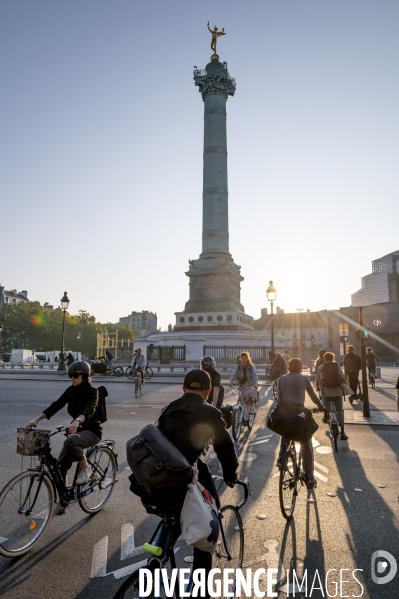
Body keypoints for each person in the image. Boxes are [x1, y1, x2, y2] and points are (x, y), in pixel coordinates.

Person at [130, 369, 238, 591]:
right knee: (208, 523)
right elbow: (225, 446)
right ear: (208, 392)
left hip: (153, 482)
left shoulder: (169, 408)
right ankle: (200, 591)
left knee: (173, 516)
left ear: (183, 388)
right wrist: (230, 474)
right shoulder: (209, 412)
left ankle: (155, 561)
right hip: (182, 479)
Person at [25, 361, 101, 492]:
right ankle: (63, 500)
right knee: (60, 467)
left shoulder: (93, 392)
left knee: (70, 441)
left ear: (84, 376)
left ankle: (86, 469)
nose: (72, 378)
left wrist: (77, 420)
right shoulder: (71, 391)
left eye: (75, 375)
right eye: (70, 375)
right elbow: (56, 405)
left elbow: (89, 410)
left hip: (92, 431)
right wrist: (36, 420)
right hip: (77, 430)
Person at [276, 358, 324, 489]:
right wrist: (321, 406)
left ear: (288, 368)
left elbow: (279, 399)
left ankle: (281, 457)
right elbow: (313, 396)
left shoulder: (281, 380)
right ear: (301, 368)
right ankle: (309, 480)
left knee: (285, 430)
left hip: (285, 412)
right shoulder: (304, 379)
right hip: (299, 413)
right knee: (305, 441)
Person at [316, 352, 351, 441]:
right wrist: (346, 384)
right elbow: (343, 378)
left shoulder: (320, 367)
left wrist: (317, 388)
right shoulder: (337, 366)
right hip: (337, 392)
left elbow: (318, 380)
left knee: (325, 406)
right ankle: (342, 432)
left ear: (324, 358)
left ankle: (326, 416)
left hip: (326, 392)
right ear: (332, 358)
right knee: (340, 410)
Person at [230, 351, 259, 421]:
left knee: (249, 394)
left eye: (245, 358)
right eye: (242, 358)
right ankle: (245, 416)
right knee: (241, 400)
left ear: (247, 359)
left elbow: (254, 375)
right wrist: (231, 380)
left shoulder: (250, 367)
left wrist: (255, 383)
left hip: (250, 385)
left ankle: (252, 408)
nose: (243, 360)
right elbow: (234, 375)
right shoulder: (238, 367)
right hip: (242, 385)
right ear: (240, 359)